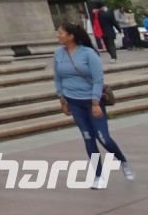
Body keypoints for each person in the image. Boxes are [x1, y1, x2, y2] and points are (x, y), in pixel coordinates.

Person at [54, 21, 134, 186]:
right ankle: (98, 175)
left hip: (92, 101)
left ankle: (122, 161)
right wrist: (62, 98)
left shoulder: (88, 53)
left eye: (60, 33)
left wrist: (95, 103)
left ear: (71, 36)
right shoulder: (58, 54)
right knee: (88, 138)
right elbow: (58, 77)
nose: (58, 35)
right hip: (73, 102)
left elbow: (98, 79)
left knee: (103, 138)